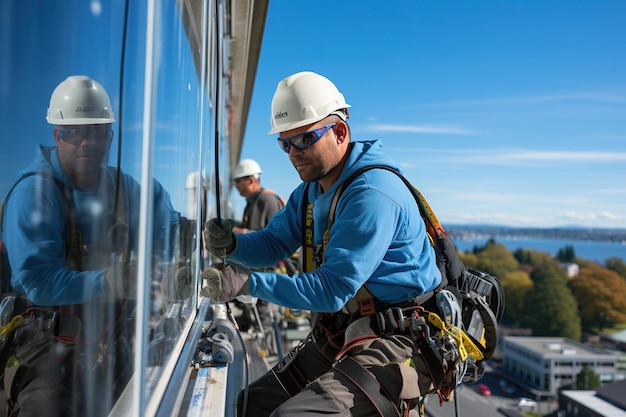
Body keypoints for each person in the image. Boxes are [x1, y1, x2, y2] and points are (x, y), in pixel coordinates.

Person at [201, 71, 442, 416]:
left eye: (304, 139)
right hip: (345, 329)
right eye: (285, 143)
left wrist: (247, 283)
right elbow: (273, 243)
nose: (293, 153)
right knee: (252, 405)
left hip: (399, 339)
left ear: (340, 132)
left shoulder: (372, 194)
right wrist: (233, 246)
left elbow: (330, 290)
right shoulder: (312, 191)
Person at [0, 75, 180, 417]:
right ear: (58, 136)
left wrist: (187, 246)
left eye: (97, 133)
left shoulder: (122, 187)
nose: (87, 143)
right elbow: (36, 281)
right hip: (44, 341)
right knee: (48, 405)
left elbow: (168, 228)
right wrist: (110, 281)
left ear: (109, 137)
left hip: (112, 335)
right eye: (74, 133)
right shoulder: (34, 194)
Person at [230, 158, 287, 331]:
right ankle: (253, 323)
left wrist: (233, 233)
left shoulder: (267, 201)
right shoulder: (253, 203)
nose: (236, 186)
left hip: (270, 267)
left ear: (250, 180)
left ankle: (267, 341)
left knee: (264, 309)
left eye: (238, 182)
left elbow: (268, 238)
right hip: (259, 266)